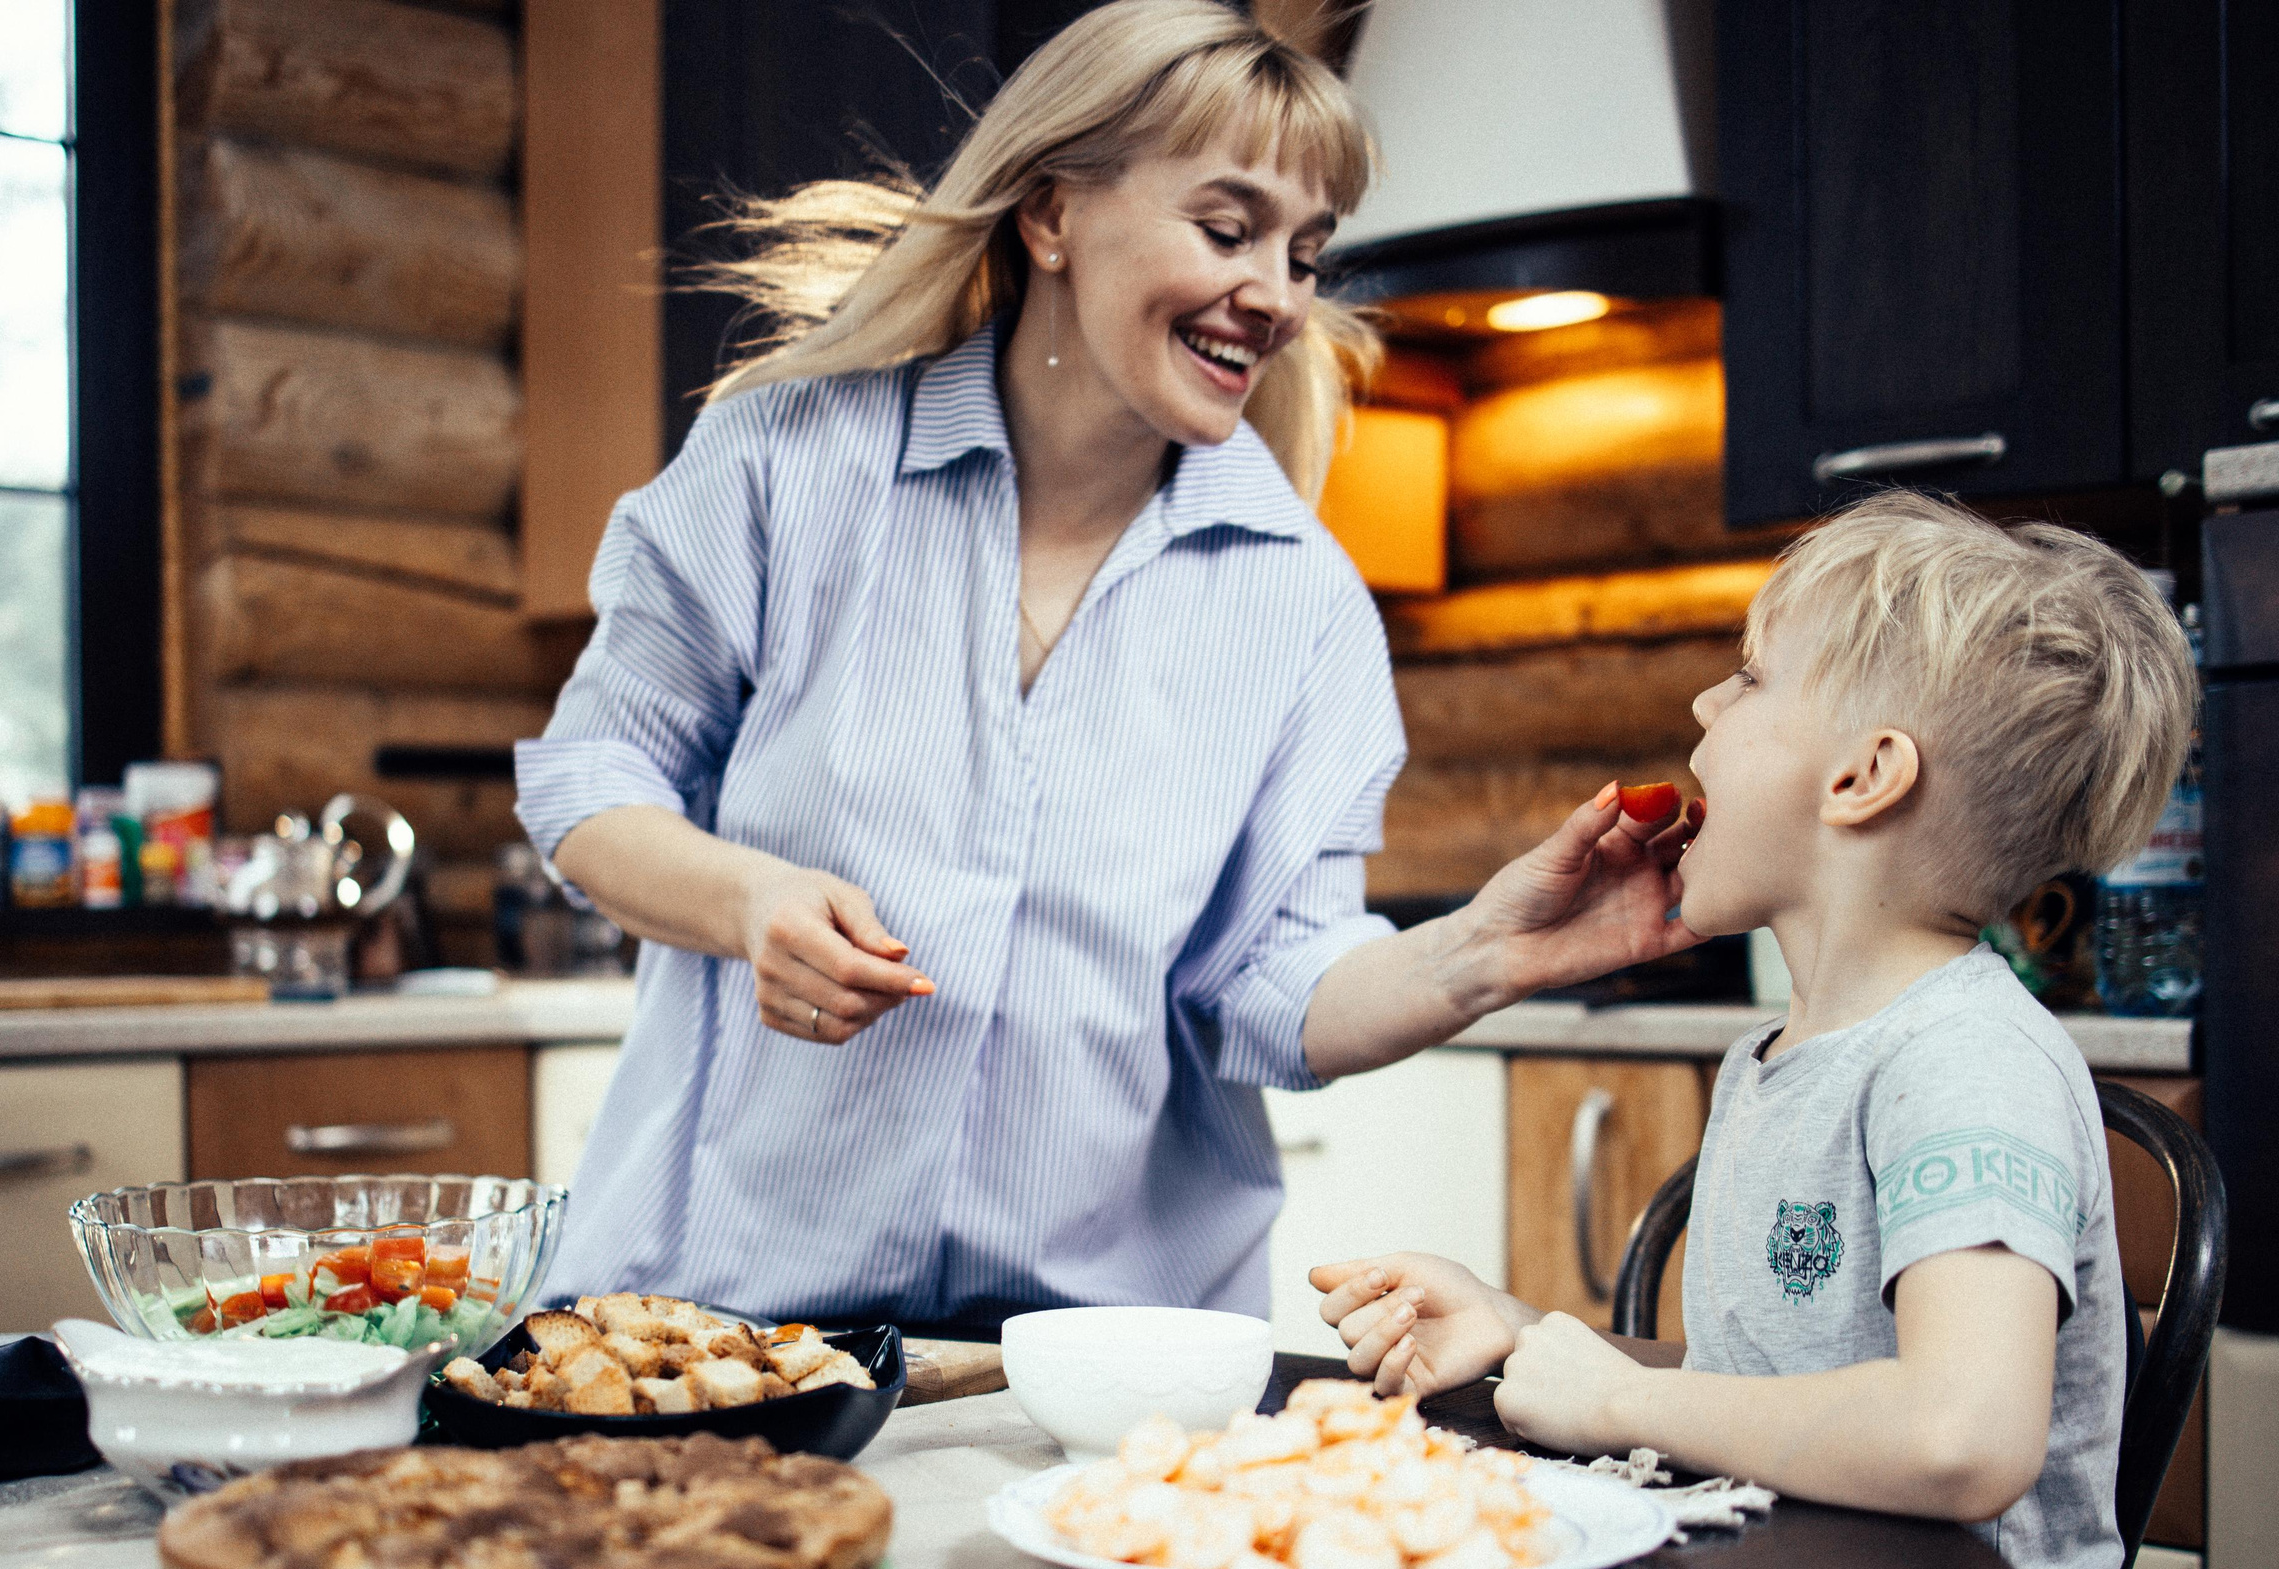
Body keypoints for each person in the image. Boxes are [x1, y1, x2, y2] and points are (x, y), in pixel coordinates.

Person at [515, 0, 1700, 1332]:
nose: (1277, 296)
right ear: (1053, 213)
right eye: (1227, 226)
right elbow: (591, 777)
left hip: (1099, 1365)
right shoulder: (793, 466)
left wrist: (1486, 952)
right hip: (725, 1329)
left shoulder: (1299, 606)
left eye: (1307, 254)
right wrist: (746, 903)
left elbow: (1272, 990)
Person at [1312, 491, 2197, 1569]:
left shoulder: (1964, 1063)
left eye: (1748, 677)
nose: (1702, 707)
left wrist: (1619, 1399)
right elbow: (1779, 1387)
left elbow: (1958, 1432)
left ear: (1863, 776)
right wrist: (1531, 1338)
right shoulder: (1782, 1057)